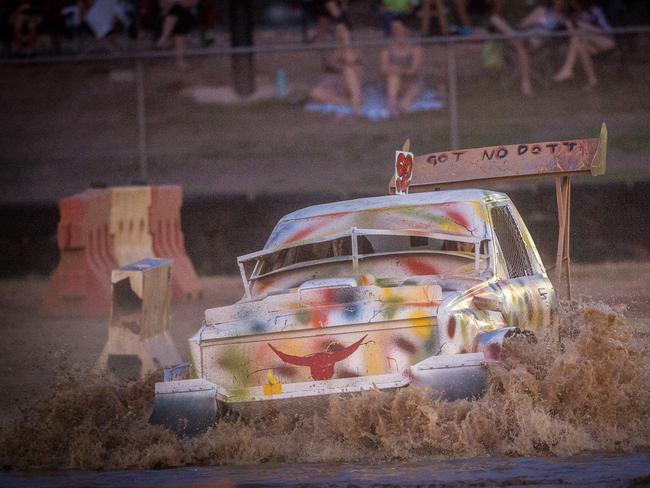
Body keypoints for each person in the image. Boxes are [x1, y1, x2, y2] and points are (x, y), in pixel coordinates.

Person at [488, 0, 568, 96]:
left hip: (538, 39)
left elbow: (566, 32)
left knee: (520, 44)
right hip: (523, 32)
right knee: (495, 19)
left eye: (561, 2)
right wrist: (531, 23)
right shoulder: (543, 10)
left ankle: (525, 83)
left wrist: (538, 25)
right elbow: (524, 24)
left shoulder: (563, 18)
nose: (558, 3)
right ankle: (525, 84)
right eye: (557, 1)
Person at [553, 0, 614, 89]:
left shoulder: (594, 11)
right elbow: (572, 33)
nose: (572, 4)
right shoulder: (575, 15)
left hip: (606, 41)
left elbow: (607, 31)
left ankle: (567, 69)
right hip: (590, 44)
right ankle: (593, 80)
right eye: (571, 2)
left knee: (578, 37)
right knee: (580, 46)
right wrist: (568, 23)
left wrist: (587, 28)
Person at [309, 22, 363, 115]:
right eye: (338, 31)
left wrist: (346, 42)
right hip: (333, 85)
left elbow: (350, 60)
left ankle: (356, 105)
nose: (340, 33)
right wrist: (338, 51)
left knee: (348, 71)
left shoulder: (355, 49)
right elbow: (330, 63)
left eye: (343, 31)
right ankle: (349, 103)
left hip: (349, 83)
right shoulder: (330, 48)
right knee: (315, 92)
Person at [380, 19, 423, 114]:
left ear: (405, 29)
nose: (396, 30)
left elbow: (414, 69)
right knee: (393, 77)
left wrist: (399, 70)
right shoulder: (387, 47)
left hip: (410, 81)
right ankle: (392, 106)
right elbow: (383, 69)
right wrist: (392, 70)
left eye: (399, 28)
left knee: (406, 100)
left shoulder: (415, 47)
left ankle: (402, 105)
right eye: (394, 28)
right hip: (392, 81)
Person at [156, 0, 198, 69]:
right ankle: (179, 61)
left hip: (187, 15)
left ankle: (164, 37)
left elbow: (194, 2)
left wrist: (182, 3)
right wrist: (170, 5)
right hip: (170, 16)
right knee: (177, 16)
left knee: (177, 9)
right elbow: (162, 5)